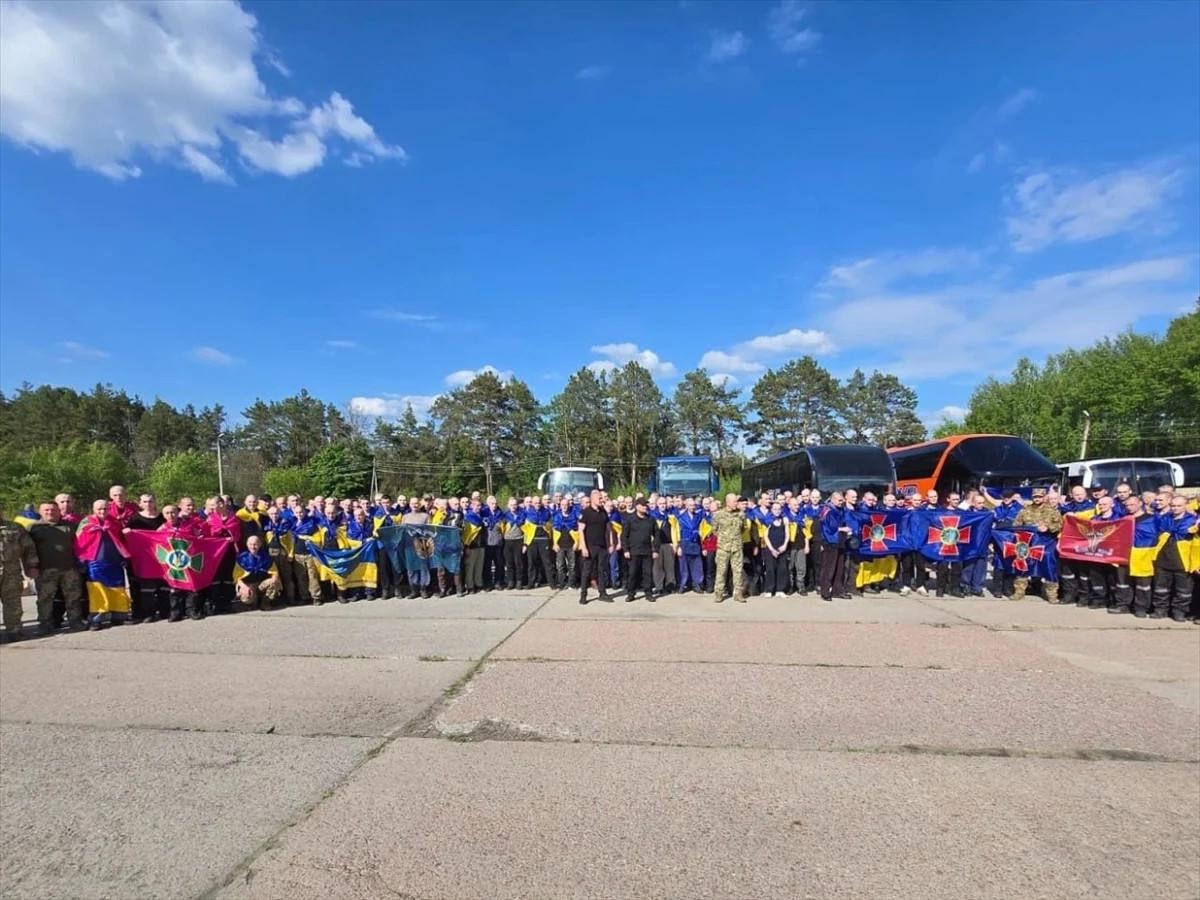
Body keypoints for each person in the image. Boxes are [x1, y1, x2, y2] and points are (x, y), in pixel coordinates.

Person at [27, 501, 84, 634]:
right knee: (45, 599)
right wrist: (31, 567)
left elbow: (81, 543)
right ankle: (45, 624)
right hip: (45, 570)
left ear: (59, 511)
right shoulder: (34, 528)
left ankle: (75, 621)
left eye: (53, 509)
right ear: (40, 512)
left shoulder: (70, 526)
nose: (50, 512)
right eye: (46, 510)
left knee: (73, 597)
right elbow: (28, 549)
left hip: (69, 569)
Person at [75, 499, 131, 630]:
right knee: (97, 590)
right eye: (99, 509)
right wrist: (81, 560)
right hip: (95, 561)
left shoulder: (115, 522)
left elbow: (121, 539)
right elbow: (79, 542)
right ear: (93, 509)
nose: (102, 511)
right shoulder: (86, 522)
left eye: (105, 509)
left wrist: (124, 556)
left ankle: (119, 616)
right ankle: (97, 619)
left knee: (118, 588)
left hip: (114, 561)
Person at [1012, 487, 1063, 602]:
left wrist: (1048, 527)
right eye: (1035, 497)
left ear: (1044, 497)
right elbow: (1016, 525)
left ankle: (1052, 595)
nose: (1037, 499)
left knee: (1049, 567)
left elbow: (1059, 525)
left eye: (1040, 497)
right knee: (1023, 565)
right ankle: (1019, 591)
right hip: (1028, 544)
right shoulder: (1025, 510)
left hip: (1046, 544)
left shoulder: (1052, 511)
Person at [1153, 496, 1197, 621]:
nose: (1175, 508)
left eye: (1178, 506)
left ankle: (1179, 612)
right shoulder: (1164, 518)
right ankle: (1160, 610)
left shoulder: (1193, 520)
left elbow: (1193, 539)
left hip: (1183, 560)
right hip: (1163, 558)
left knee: (1183, 590)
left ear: (1186, 506)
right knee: (1161, 588)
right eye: (1173, 506)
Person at [1, 504, 40, 641]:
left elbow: (28, 547)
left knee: (13, 603)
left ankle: (14, 630)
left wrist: (32, 566)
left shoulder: (15, 527)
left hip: (11, 572)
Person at [128, 493, 167, 622]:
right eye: (145, 502)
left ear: (155, 502)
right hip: (145, 557)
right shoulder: (134, 520)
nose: (148, 504)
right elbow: (128, 538)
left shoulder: (163, 518)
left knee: (164, 585)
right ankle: (149, 613)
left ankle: (165, 611)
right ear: (140, 504)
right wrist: (127, 533)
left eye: (150, 501)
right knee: (147, 587)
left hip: (162, 556)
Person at [710, 493, 746, 604]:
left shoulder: (741, 514)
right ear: (728, 502)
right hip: (723, 548)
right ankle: (719, 594)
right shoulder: (719, 515)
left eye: (737, 501)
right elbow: (714, 530)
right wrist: (724, 538)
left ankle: (738, 594)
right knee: (721, 571)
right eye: (734, 501)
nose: (736, 503)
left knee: (738, 572)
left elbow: (743, 529)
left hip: (737, 547)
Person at [577, 489, 611, 604]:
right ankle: (583, 595)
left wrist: (610, 543)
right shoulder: (585, 512)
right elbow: (580, 530)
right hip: (590, 546)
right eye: (599, 498)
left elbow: (608, 529)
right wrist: (583, 547)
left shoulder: (603, 511)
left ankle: (603, 593)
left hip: (602, 546)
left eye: (602, 498)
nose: (601, 500)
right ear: (592, 499)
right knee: (587, 571)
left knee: (601, 570)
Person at [817, 492, 853, 601]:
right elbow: (827, 528)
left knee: (839, 568)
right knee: (828, 568)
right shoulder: (826, 510)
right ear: (832, 499)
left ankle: (837, 590)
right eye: (839, 500)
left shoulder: (841, 509)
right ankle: (825, 591)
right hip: (830, 542)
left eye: (842, 500)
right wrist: (842, 529)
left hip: (840, 541)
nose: (841, 502)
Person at [622, 497, 659, 602]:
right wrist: (626, 550)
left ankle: (648, 593)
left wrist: (656, 550)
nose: (645, 507)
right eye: (643, 505)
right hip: (633, 551)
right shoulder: (630, 519)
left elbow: (656, 535)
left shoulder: (651, 519)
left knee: (648, 573)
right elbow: (624, 536)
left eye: (646, 505)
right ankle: (631, 593)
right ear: (637, 506)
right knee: (633, 573)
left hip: (647, 551)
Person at [233, 535, 281, 610]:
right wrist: (244, 587)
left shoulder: (266, 556)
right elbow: (236, 577)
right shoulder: (241, 558)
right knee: (247, 597)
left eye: (255, 544)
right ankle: (252, 604)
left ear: (260, 544)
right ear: (247, 544)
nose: (253, 547)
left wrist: (274, 580)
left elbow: (275, 572)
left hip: (261, 584)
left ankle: (265, 603)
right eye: (250, 544)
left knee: (275, 582)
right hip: (248, 584)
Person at [761, 500, 790, 597]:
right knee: (770, 569)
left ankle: (780, 589)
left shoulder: (785, 520)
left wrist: (785, 545)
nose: (777, 511)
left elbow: (787, 534)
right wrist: (772, 549)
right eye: (775, 509)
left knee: (782, 569)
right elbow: (765, 537)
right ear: (771, 510)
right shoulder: (768, 520)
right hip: (770, 548)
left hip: (782, 547)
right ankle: (769, 590)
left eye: (779, 509)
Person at [551, 498, 578, 592]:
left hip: (571, 544)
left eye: (566, 504)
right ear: (560, 506)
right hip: (560, 545)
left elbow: (577, 531)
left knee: (572, 566)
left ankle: (571, 584)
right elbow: (554, 532)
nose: (564, 506)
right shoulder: (556, 517)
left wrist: (576, 543)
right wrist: (555, 543)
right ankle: (562, 584)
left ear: (569, 505)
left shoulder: (573, 516)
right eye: (563, 505)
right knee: (560, 566)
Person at [499, 498, 525, 590]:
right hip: (507, 541)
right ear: (508, 506)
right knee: (509, 562)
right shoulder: (505, 516)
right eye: (511, 505)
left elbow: (526, 530)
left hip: (518, 540)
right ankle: (510, 581)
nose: (513, 506)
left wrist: (525, 543)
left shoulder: (522, 515)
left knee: (518, 562)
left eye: (515, 505)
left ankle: (519, 581)